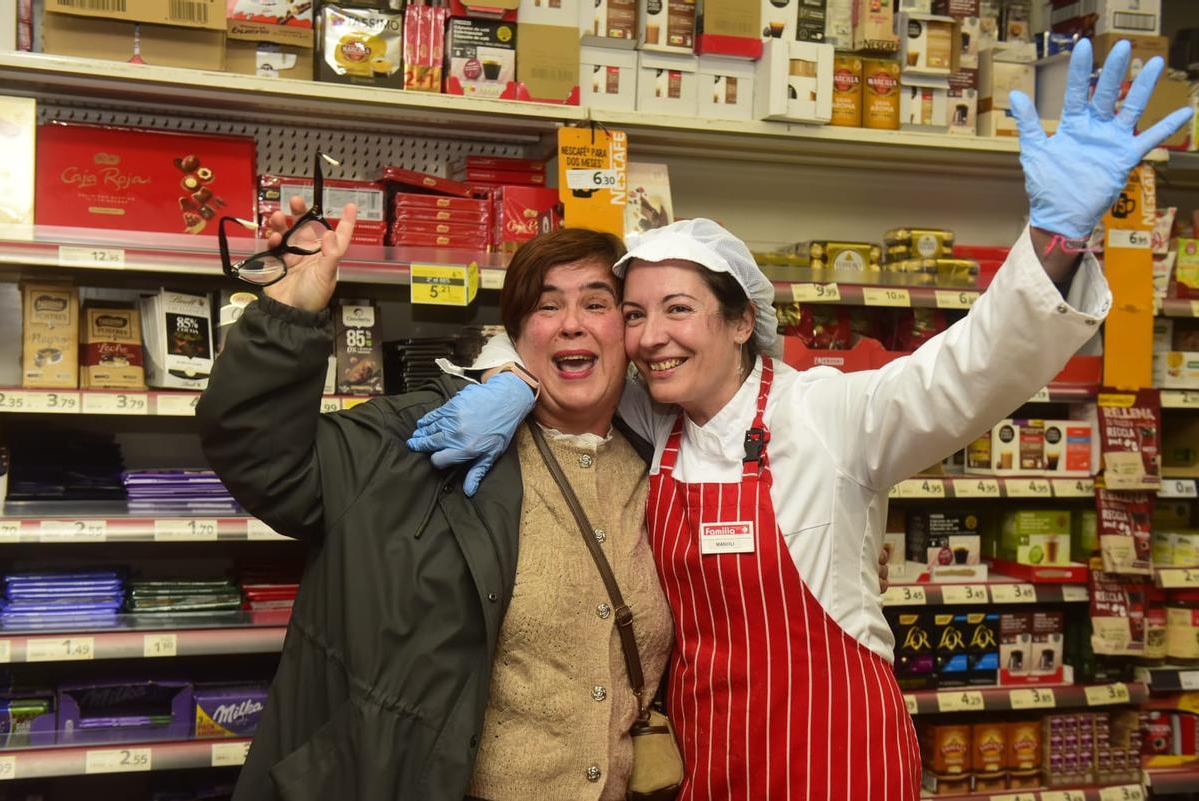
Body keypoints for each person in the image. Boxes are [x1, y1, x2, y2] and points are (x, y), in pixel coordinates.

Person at [410, 39, 1192, 800]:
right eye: (638, 314)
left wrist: (1054, 241)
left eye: (679, 310)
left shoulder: (828, 411)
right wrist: (506, 379)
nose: (652, 337)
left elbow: (972, 368)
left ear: (742, 320)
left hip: (838, 757)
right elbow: (562, 339)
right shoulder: (651, 419)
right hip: (710, 758)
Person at [197, 223, 678, 800]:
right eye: (547, 305)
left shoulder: (663, 460)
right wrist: (289, 318)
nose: (572, 322)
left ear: (627, 330)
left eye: (596, 303)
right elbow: (267, 462)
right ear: (519, 334)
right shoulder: (429, 436)